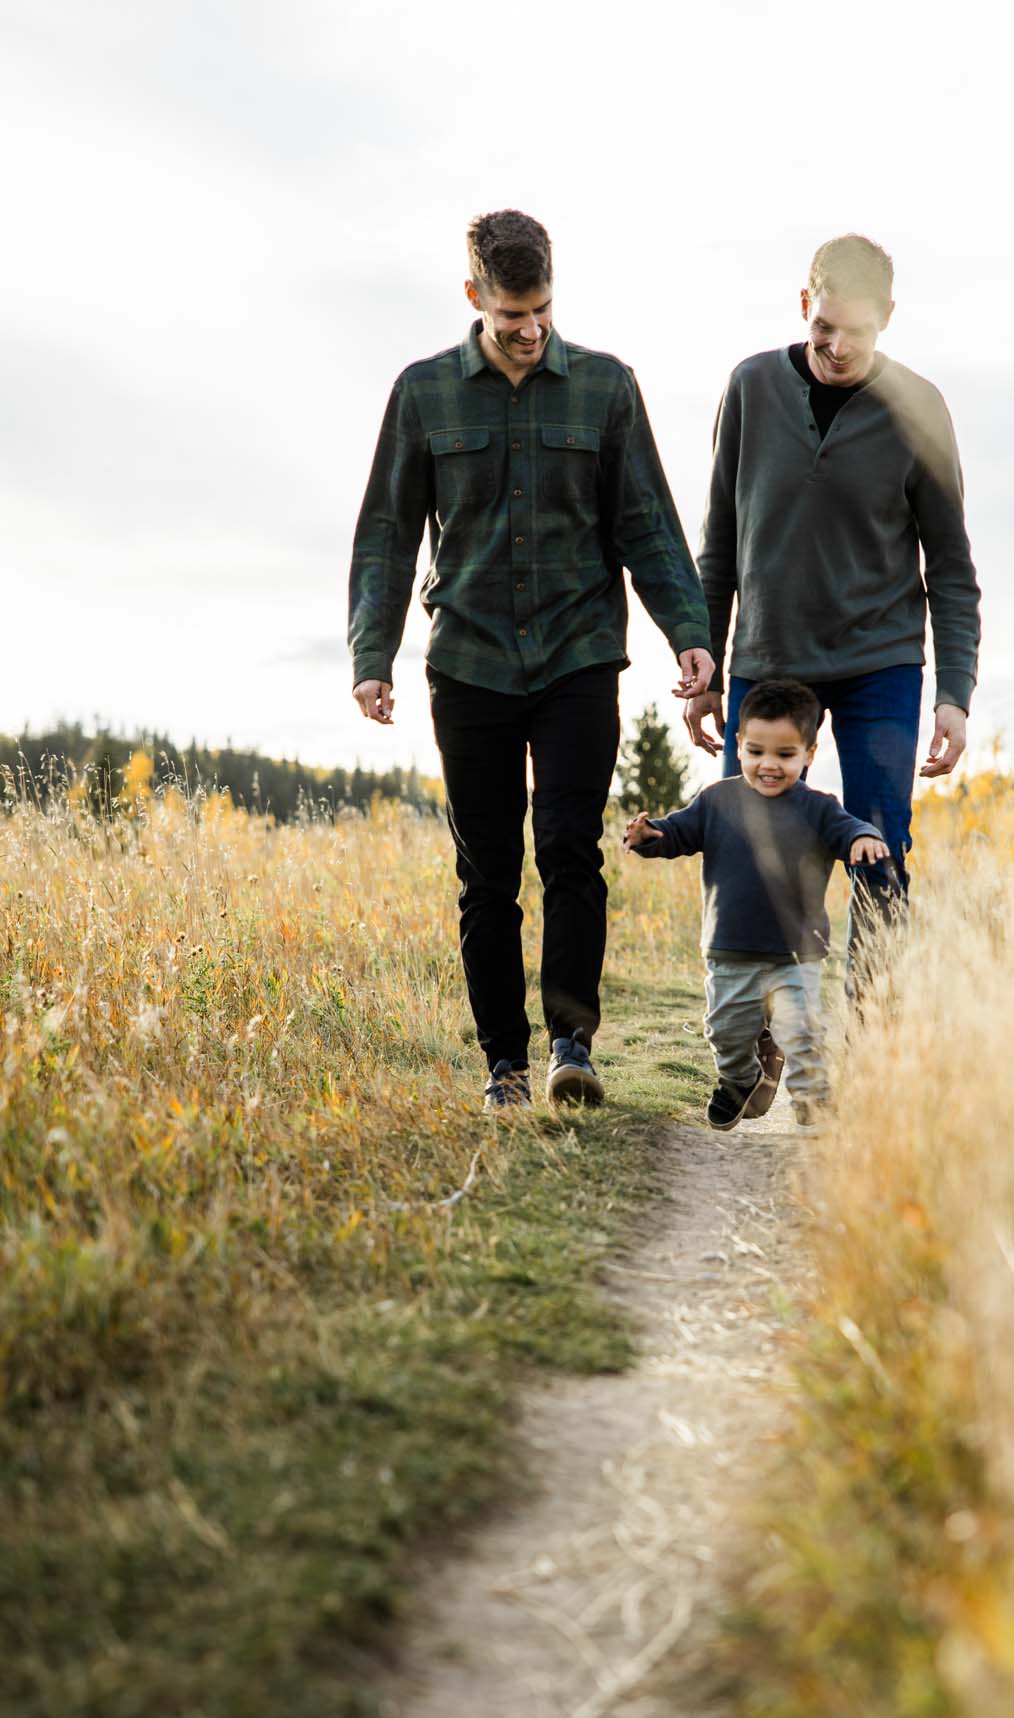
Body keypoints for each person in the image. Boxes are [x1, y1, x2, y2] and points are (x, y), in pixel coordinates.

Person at [348, 210, 715, 1112]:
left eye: (542, 308)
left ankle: (570, 1046)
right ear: (474, 295)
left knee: (567, 851)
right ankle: (503, 1066)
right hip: (467, 658)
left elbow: (647, 524)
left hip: (578, 654)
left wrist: (690, 633)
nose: (528, 328)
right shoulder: (423, 393)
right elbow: (389, 536)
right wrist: (372, 651)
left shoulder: (604, 387)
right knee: (486, 873)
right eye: (511, 311)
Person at [686, 233, 980, 980]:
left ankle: (870, 1041)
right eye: (823, 326)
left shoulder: (918, 407)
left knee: (878, 844)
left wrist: (953, 695)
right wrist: (705, 665)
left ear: (886, 316)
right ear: (802, 306)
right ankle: (764, 1025)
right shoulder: (750, 387)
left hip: (877, 662)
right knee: (751, 853)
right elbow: (719, 541)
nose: (837, 346)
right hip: (767, 658)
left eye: (857, 330)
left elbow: (949, 567)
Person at [623, 678, 887, 1130]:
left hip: (795, 955)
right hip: (730, 953)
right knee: (725, 1032)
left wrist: (866, 838)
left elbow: (850, 829)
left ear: (809, 753)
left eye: (785, 755)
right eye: (757, 751)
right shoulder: (717, 800)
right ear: (739, 745)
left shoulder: (819, 807)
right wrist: (649, 837)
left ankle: (813, 1097)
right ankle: (740, 1080)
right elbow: (678, 832)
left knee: (802, 1031)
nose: (769, 765)